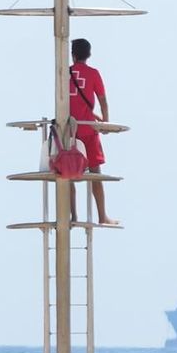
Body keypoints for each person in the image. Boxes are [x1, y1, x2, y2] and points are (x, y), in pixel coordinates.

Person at [68, 38, 117, 226]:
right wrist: (104, 121)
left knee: (67, 171)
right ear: (88, 54)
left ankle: (73, 215)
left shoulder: (65, 73)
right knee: (96, 174)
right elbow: (103, 99)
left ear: (73, 54)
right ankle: (102, 216)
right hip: (88, 130)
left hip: (69, 130)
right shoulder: (93, 74)